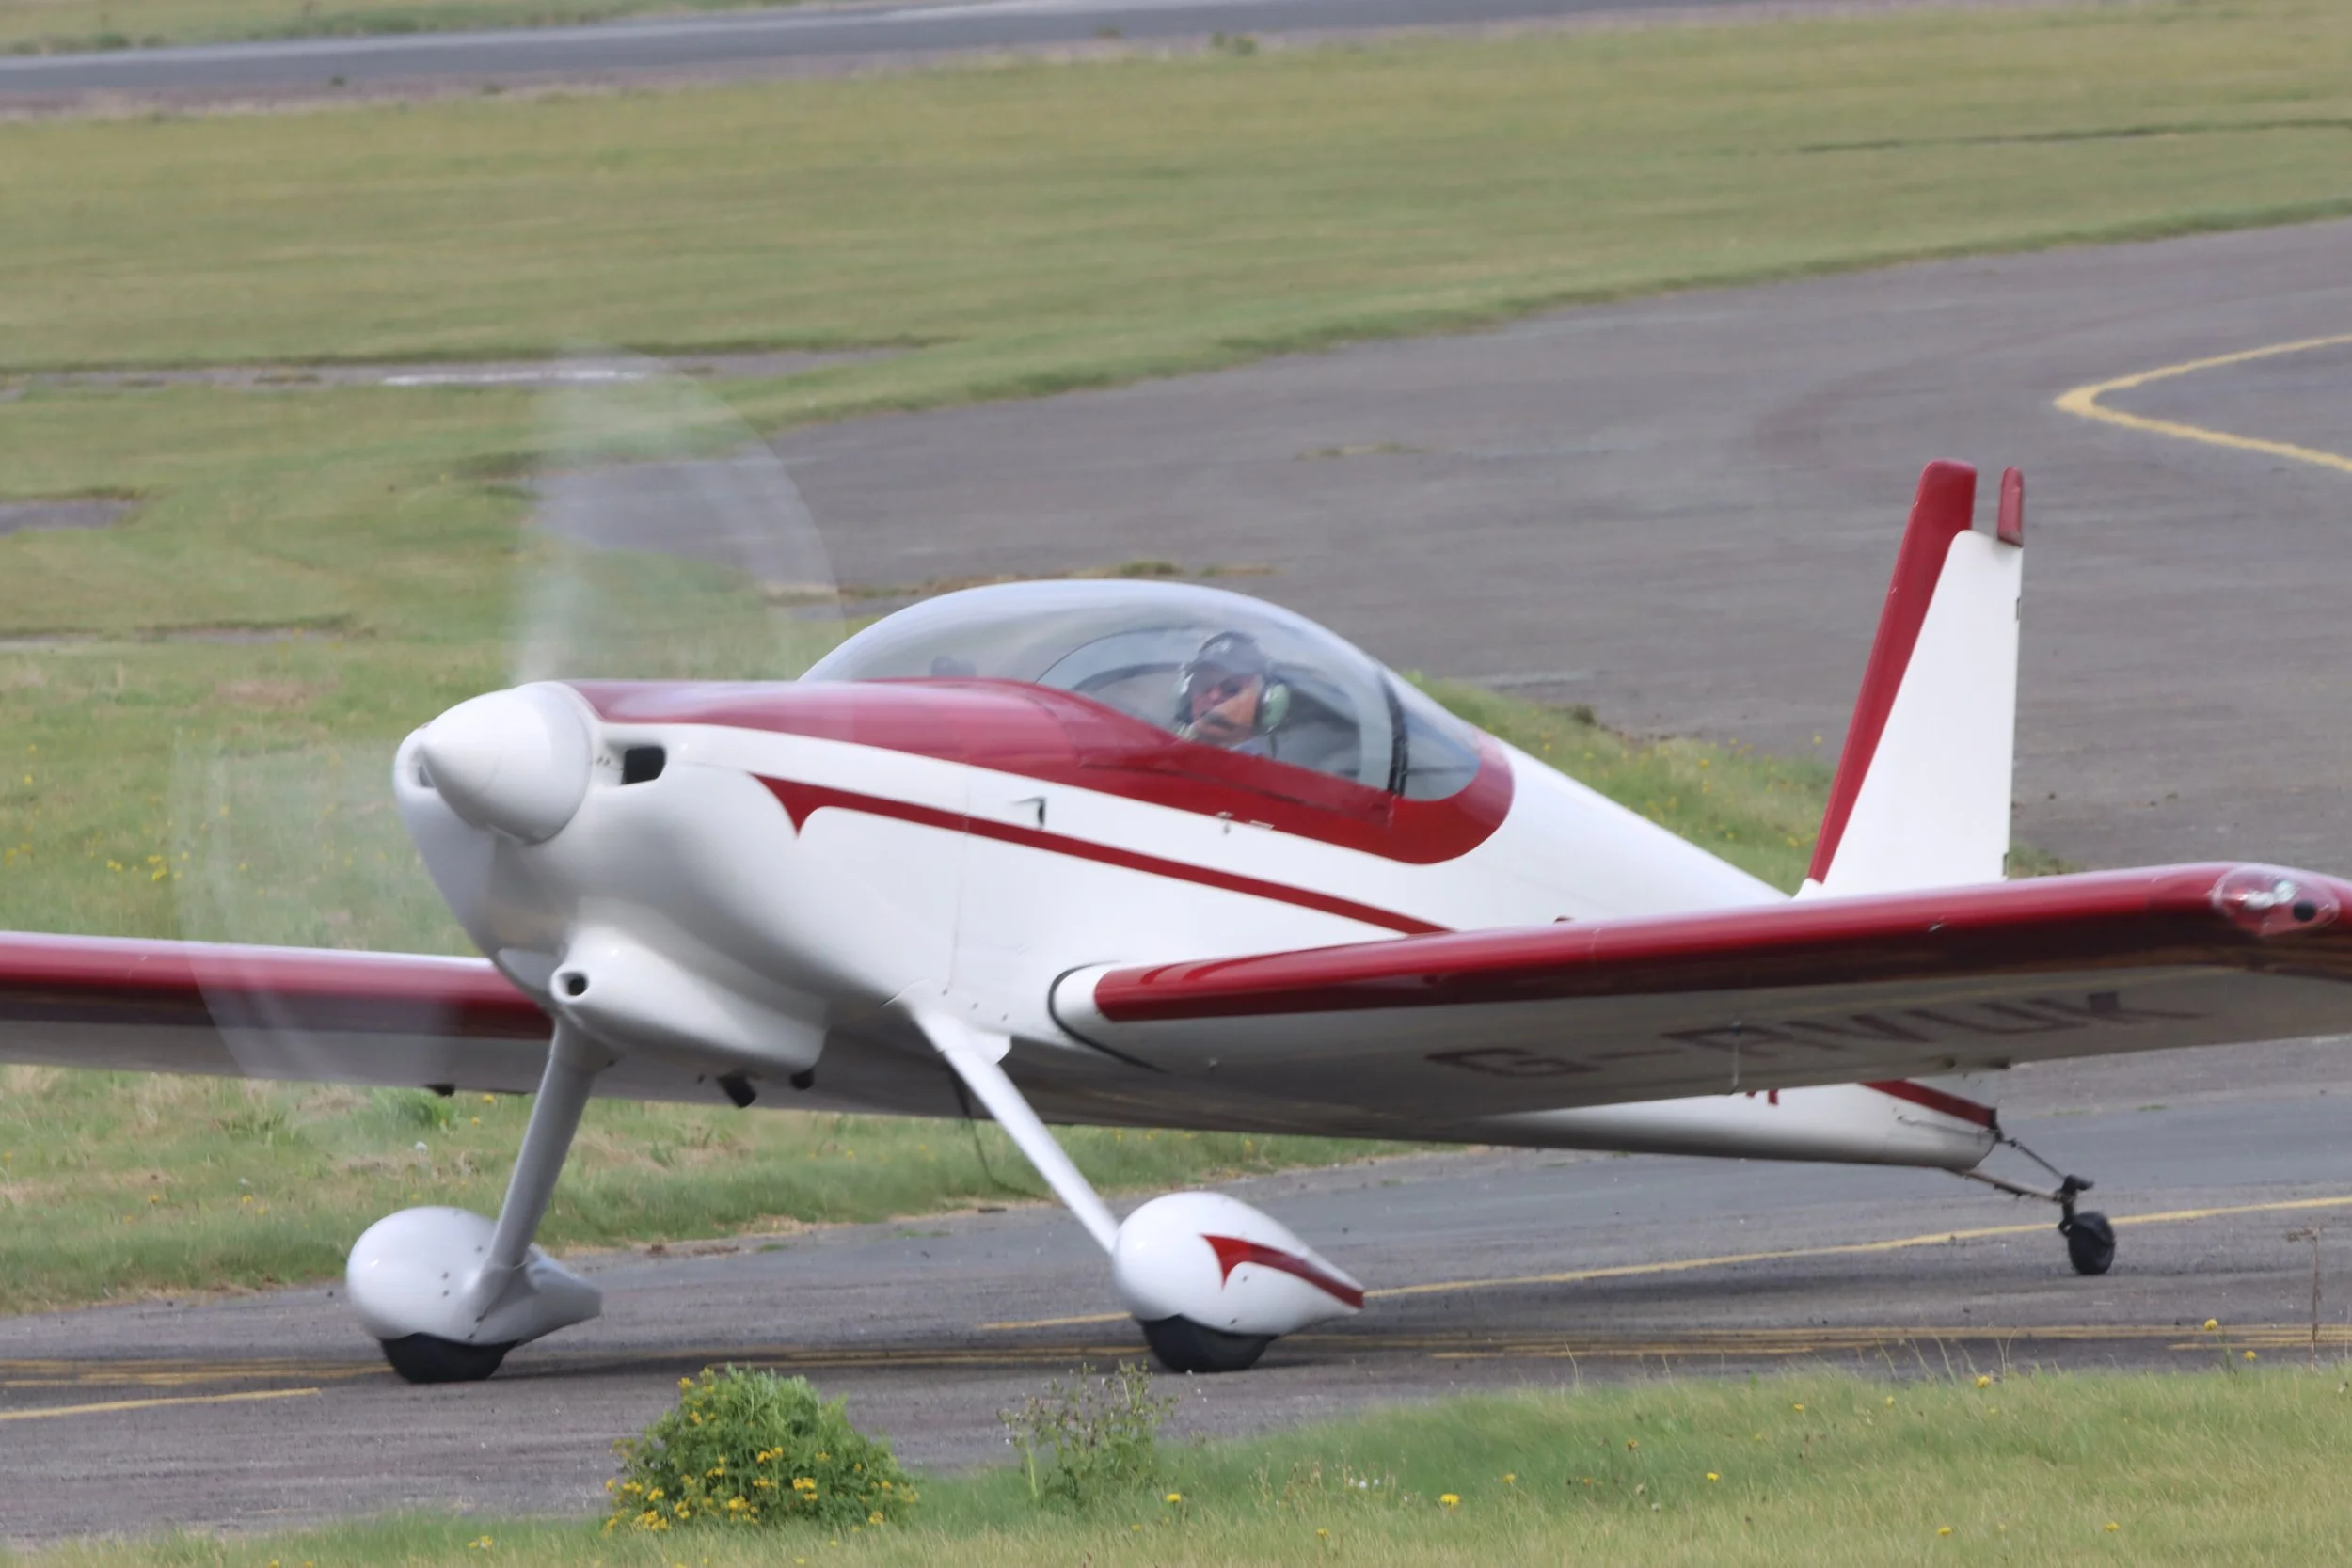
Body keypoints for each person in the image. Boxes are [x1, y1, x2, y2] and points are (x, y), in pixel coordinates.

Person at [1174, 631, 1289, 752]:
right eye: (1205, 686)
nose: (1214, 696)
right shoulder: (1165, 753)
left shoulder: (1265, 769)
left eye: (1232, 689)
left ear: (1266, 704)